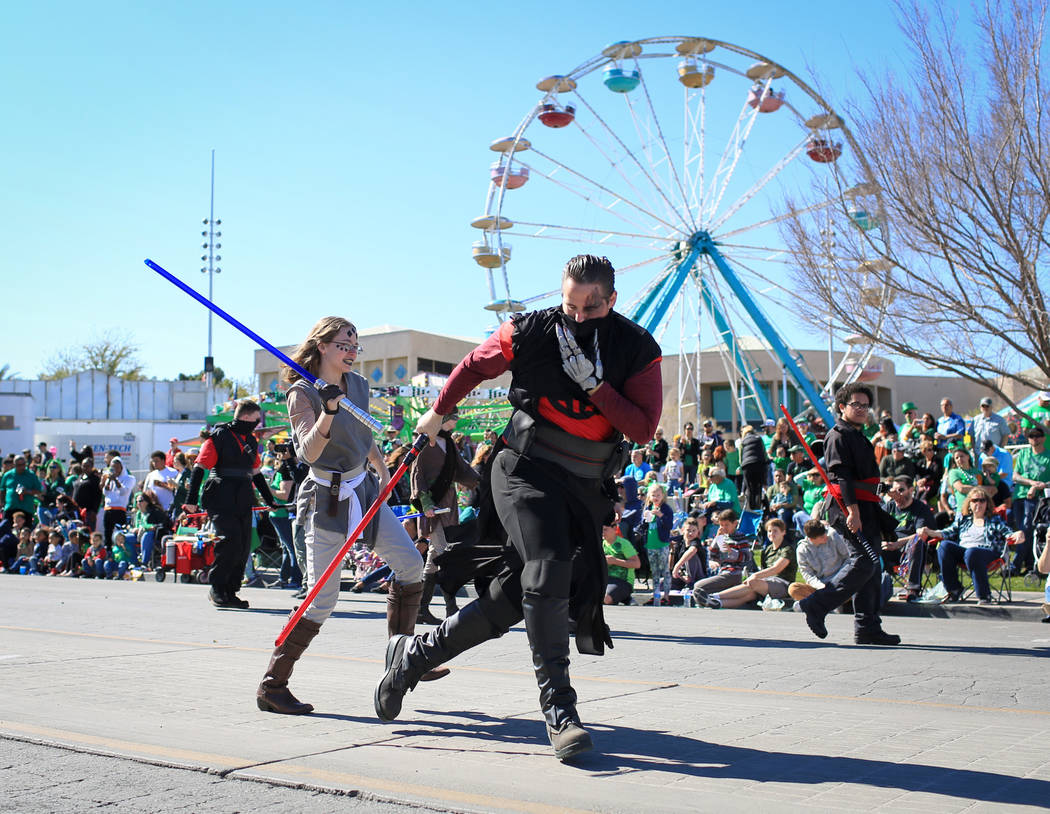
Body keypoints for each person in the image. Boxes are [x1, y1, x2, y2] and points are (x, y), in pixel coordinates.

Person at [374, 254, 662, 761]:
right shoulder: (530, 330)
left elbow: (642, 428)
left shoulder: (637, 347)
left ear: (612, 299)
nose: (576, 316)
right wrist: (437, 414)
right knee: (547, 568)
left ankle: (412, 656)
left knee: (515, 597)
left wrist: (596, 386)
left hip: (583, 489)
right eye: (569, 304)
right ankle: (560, 710)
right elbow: (470, 367)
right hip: (522, 468)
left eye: (590, 307)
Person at [257, 317, 442, 717]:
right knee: (322, 599)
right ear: (322, 346)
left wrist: (383, 469)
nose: (351, 352)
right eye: (344, 344)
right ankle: (273, 686)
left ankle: (402, 660)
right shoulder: (301, 393)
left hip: (364, 489)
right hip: (326, 497)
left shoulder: (357, 385)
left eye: (355, 346)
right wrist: (326, 411)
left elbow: (364, 435)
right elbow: (308, 453)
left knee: (411, 565)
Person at [797, 383, 901, 646]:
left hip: (868, 505)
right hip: (847, 507)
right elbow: (841, 476)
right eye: (856, 404)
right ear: (842, 407)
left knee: (872, 567)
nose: (862, 409)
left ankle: (867, 627)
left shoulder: (859, 435)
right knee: (864, 561)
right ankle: (817, 604)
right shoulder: (838, 435)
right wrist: (853, 512)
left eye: (865, 405)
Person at [183, 400, 276, 609]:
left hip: (243, 495)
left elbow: (256, 473)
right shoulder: (219, 436)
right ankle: (216, 587)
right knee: (230, 540)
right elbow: (199, 468)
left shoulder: (251, 441)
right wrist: (190, 501)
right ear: (244, 418)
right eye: (255, 420)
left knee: (243, 545)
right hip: (220, 494)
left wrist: (270, 501)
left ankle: (230, 591)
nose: (257, 425)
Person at [412, 410, 479, 624]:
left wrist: (483, 482)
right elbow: (417, 472)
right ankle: (451, 607)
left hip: (448, 503)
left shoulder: (449, 443)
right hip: (433, 503)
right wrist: (425, 501)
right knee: (444, 552)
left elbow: (462, 469)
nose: (455, 424)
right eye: (453, 419)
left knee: (436, 555)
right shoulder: (424, 440)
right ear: (442, 419)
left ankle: (422, 608)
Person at [921, 491, 1023, 604]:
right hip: (965, 553)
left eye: (982, 500)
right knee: (944, 546)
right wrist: (928, 531)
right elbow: (946, 533)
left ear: (987, 504)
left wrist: (1018, 534)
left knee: (972, 552)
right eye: (974, 500)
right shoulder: (963, 520)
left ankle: (984, 595)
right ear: (969, 503)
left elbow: (1008, 533)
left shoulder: (994, 519)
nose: (978, 503)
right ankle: (954, 589)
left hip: (989, 554)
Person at [695, 517, 795, 609]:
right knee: (749, 595)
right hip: (766, 583)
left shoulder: (787, 549)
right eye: (769, 531)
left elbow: (776, 569)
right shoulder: (766, 550)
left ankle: (714, 596)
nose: (771, 534)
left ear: (783, 532)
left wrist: (754, 576)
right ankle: (716, 602)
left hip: (783, 584)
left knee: (752, 582)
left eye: (775, 531)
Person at [880, 476, 936, 602]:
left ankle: (913, 589)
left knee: (916, 542)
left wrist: (898, 543)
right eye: (893, 490)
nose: (896, 494)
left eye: (901, 490)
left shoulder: (921, 509)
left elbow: (922, 534)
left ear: (911, 490)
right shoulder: (889, 507)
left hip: (911, 551)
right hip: (889, 549)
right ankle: (870, 587)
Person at [1011, 425, 1050, 574]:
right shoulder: (1023, 454)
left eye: (1037, 435)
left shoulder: (1048, 456)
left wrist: (1041, 485)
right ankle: (1030, 565)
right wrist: (1032, 483)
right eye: (1031, 436)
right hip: (1020, 496)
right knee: (1023, 531)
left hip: (1039, 500)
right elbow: (1015, 476)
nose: (1034, 438)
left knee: (1028, 530)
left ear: (1043, 438)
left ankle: (1016, 566)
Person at [788, 519, 853, 602]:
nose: (826, 536)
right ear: (811, 539)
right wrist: (820, 586)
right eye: (822, 537)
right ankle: (829, 602)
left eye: (825, 533)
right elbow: (807, 574)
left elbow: (848, 558)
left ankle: (825, 603)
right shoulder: (802, 550)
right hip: (821, 587)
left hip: (841, 582)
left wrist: (838, 580)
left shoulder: (833, 535)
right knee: (793, 588)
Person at [639, 482, 674, 604]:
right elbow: (643, 526)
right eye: (653, 495)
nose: (656, 497)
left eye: (658, 495)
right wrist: (644, 519)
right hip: (651, 544)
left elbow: (669, 525)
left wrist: (660, 515)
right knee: (654, 571)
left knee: (665, 570)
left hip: (662, 544)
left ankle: (666, 596)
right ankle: (656, 594)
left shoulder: (666, 509)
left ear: (663, 496)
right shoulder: (648, 508)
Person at [602, 515, 640, 605]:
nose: (602, 532)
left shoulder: (624, 544)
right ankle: (622, 597)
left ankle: (625, 596)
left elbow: (636, 564)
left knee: (606, 599)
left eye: (605, 529)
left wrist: (615, 561)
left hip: (623, 581)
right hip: (605, 580)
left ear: (614, 529)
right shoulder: (601, 543)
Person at [99, 458, 134, 546]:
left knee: (120, 533)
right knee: (108, 532)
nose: (115, 470)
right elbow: (105, 492)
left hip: (120, 508)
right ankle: (109, 551)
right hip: (108, 508)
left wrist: (115, 480)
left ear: (122, 467)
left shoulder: (128, 478)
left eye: (117, 467)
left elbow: (123, 492)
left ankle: (122, 551)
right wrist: (108, 480)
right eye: (113, 467)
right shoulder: (109, 478)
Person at [1, 455, 43, 524]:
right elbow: (2, 490)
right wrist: (2, 502)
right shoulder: (8, 475)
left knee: (25, 531)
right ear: (14, 465)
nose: (22, 467)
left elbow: (39, 490)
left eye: (23, 464)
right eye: (19, 465)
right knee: (6, 530)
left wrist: (27, 491)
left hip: (26, 508)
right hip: (10, 508)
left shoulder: (31, 475)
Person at [738, 425, 768, 511]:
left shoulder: (742, 441)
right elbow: (764, 452)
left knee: (750, 488)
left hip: (747, 465)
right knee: (758, 486)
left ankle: (751, 508)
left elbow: (740, 457)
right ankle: (758, 507)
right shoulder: (759, 438)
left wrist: (742, 465)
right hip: (759, 464)